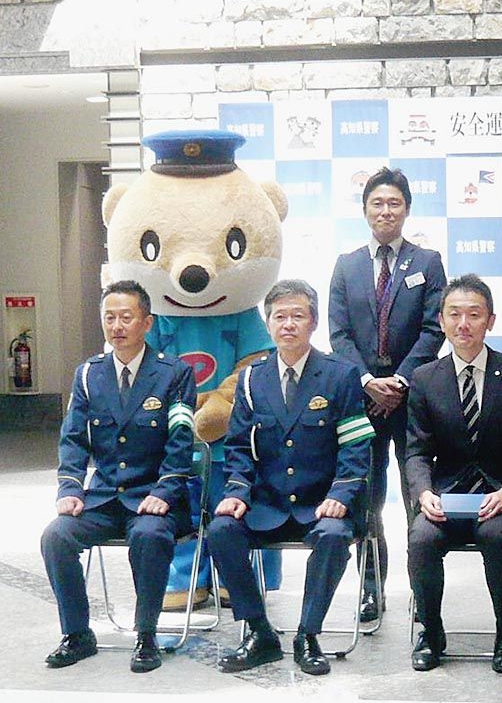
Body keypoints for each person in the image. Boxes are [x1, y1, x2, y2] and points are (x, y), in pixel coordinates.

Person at [209, 280, 375, 676]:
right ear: (268, 324)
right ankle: (259, 631)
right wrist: (237, 492)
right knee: (220, 531)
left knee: (333, 537)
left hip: (321, 504)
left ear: (312, 322)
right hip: (266, 504)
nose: (288, 325)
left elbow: (356, 448)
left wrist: (340, 495)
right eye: (279, 317)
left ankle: (308, 635)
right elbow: (238, 447)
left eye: (297, 316)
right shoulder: (251, 379)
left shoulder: (341, 376)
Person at [41, 280, 197, 673]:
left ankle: (146, 635)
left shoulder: (174, 374)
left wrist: (165, 490)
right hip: (106, 497)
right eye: (109, 318)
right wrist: (70, 487)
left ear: (147, 322)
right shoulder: (88, 374)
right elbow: (73, 439)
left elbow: (181, 441)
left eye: (126, 317)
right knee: (56, 537)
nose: (117, 326)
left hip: (156, 498)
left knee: (149, 535)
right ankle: (77, 634)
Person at [404, 275, 502, 674]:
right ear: (442, 321)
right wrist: (423, 493)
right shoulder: (425, 378)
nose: (463, 324)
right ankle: (431, 632)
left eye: (474, 315)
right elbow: (416, 451)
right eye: (454, 315)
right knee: (421, 538)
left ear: (491, 321)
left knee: (496, 536)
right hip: (446, 498)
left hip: (501, 499)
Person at [329, 167, 446, 622]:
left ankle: (422, 590)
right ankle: (371, 588)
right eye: (377, 203)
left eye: (394, 203)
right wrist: (366, 381)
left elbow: (434, 329)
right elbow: (339, 333)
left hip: (412, 399)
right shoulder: (347, 265)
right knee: (367, 497)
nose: (385, 211)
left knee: (417, 494)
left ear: (407, 209)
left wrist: (399, 381)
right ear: (364, 210)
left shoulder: (427, 262)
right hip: (362, 401)